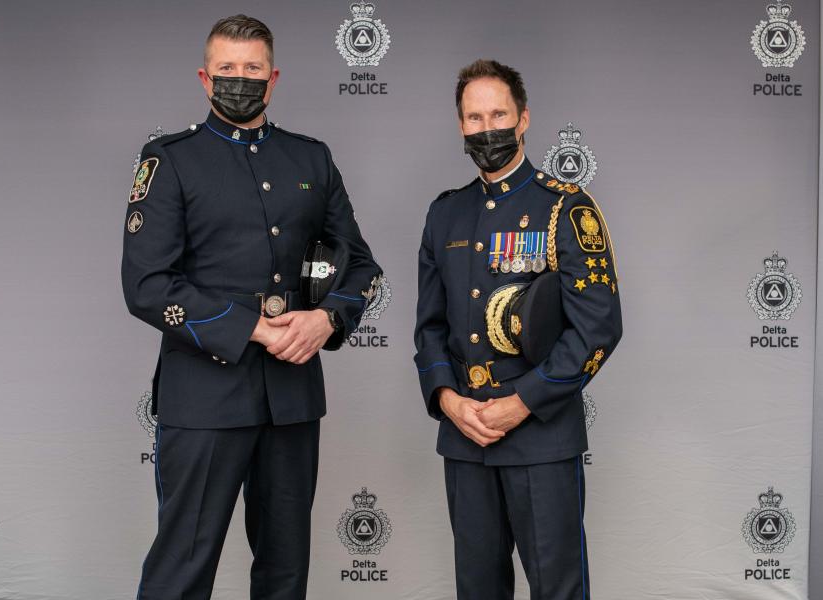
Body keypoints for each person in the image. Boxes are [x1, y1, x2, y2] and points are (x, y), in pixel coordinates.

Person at [121, 15, 381, 600]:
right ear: (204, 78)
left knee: (285, 575)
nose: (240, 79)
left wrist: (326, 318)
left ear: (274, 76)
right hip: (203, 398)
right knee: (181, 570)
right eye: (227, 70)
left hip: (291, 401)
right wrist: (256, 331)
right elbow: (146, 285)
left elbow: (360, 265)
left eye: (252, 69)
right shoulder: (171, 159)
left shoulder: (310, 159)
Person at [413, 59, 623, 600]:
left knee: (557, 587)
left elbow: (598, 327)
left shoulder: (565, 206)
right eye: (475, 117)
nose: (488, 129)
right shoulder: (446, 215)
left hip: (540, 436)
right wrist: (447, 399)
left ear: (524, 118)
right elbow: (429, 328)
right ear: (461, 125)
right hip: (465, 437)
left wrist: (523, 402)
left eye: (499, 114)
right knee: (477, 589)